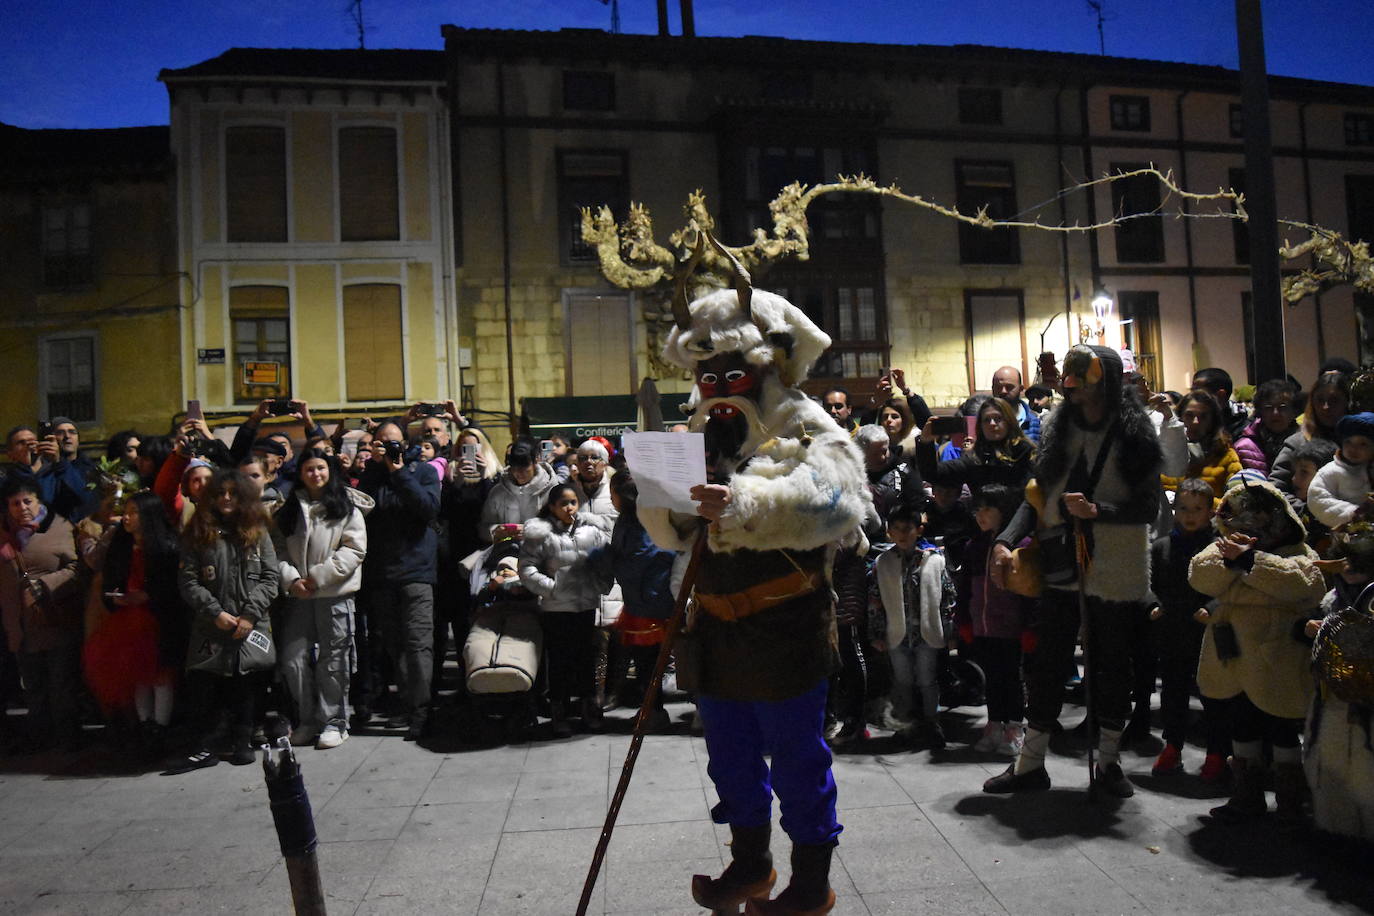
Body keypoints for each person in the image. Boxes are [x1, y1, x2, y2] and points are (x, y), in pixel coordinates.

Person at [637, 259, 870, 915]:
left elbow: (841, 499)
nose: (717, 387)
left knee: (797, 761)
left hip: (785, 624)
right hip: (712, 625)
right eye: (707, 376)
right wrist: (665, 499)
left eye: (732, 373)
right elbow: (669, 533)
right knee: (731, 758)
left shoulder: (802, 421)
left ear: (767, 365)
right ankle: (749, 866)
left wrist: (745, 503)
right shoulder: (694, 430)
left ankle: (810, 882)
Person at [984, 344, 1170, 798]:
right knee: (1046, 664)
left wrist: (1097, 510)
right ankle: (1030, 765)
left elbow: (1148, 506)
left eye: (1083, 381)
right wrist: (1005, 540)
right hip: (1061, 561)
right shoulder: (1055, 425)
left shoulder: (1134, 431)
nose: (1075, 391)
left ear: (1104, 382)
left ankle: (1108, 764)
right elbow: (1038, 495)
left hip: (1116, 563)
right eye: (1070, 381)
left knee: (1111, 666)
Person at [1189, 478, 1326, 820]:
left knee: (1281, 727)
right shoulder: (1223, 546)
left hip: (1276, 652)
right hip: (1232, 652)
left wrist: (1251, 562)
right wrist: (1231, 560)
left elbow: (1306, 584)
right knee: (1241, 722)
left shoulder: (1299, 552)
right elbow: (1199, 576)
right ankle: (1245, 796)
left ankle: (1290, 802)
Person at [174, 469, 280, 770]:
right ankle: (204, 746)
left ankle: (243, 739)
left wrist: (249, 614)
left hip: (250, 624)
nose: (226, 498)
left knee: (246, 683)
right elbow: (188, 581)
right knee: (206, 684)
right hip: (212, 624)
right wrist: (216, 613)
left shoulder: (257, 531)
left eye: (233, 493)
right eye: (220, 493)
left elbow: (271, 577)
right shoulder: (199, 532)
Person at [275, 450, 371, 750]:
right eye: (308, 469)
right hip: (298, 596)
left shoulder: (346, 508)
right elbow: (276, 551)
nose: (315, 474)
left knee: (335, 658)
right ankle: (308, 719)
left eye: (320, 468)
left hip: (334, 593)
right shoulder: (288, 510)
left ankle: (335, 721)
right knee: (293, 659)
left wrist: (319, 576)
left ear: (329, 470)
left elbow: (354, 550)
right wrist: (292, 579)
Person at [84, 490, 187, 754]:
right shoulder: (120, 545)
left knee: (160, 676)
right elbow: (110, 577)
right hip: (127, 621)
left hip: (157, 619)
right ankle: (145, 725)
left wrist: (148, 596)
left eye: (133, 512)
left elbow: (174, 588)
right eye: (126, 512)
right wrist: (115, 596)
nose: (126, 518)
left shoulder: (166, 547)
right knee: (139, 676)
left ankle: (160, 727)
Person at [356, 420, 442, 740]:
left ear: (404, 444)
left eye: (394, 443)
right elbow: (360, 509)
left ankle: (421, 711)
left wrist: (398, 470)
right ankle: (409, 704)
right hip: (382, 574)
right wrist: (376, 469)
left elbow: (427, 508)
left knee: (419, 644)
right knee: (396, 646)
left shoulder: (423, 472)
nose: (389, 448)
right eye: (382, 443)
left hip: (418, 572)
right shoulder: (371, 476)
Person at [1145, 478, 1230, 781]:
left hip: (1207, 633)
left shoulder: (1220, 549)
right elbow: (1148, 583)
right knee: (1173, 691)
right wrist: (1152, 605)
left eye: (1197, 508)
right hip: (1172, 630)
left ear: (1210, 511)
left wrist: (1212, 607)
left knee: (1213, 694)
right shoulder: (1162, 547)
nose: (1190, 514)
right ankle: (1173, 745)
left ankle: (1217, 751)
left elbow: (1230, 587)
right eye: (1183, 508)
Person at [518, 483, 611, 737]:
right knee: (560, 660)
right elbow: (526, 568)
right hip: (556, 608)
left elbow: (606, 558)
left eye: (573, 502)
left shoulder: (591, 531)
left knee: (586, 658)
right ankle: (560, 710)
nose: (569, 508)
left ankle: (588, 707)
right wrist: (551, 588)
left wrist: (601, 581)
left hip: (585, 604)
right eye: (563, 504)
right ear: (552, 507)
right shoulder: (541, 535)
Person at [0, 478, 83, 751]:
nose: (22, 508)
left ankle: (67, 736)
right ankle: (41, 737)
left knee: (61, 682)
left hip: (53, 618)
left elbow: (76, 568)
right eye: (15, 503)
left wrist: (46, 584)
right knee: (33, 685)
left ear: (39, 501)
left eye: (27, 501)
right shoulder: (3, 533)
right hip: (18, 624)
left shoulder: (60, 528)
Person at [590, 469, 675, 731]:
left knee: (648, 662)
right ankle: (651, 710)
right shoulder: (637, 516)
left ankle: (655, 712)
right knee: (646, 661)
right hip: (644, 598)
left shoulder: (639, 521)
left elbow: (640, 559)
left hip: (649, 600)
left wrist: (602, 558)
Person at [1304, 527, 1374, 842]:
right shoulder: (1334, 599)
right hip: (1332, 697)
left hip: (1365, 706)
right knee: (1330, 765)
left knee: (1365, 772)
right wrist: (1310, 629)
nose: (1347, 569)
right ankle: (1336, 832)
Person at [870, 502, 955, 749]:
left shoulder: (934, 560)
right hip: (897, 634)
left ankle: (931, 722)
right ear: (889, 532)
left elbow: (948, 597)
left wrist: (950, 631)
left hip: (927, 632)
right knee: (902, 681)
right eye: (896, 529)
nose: (903, 534)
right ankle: (905, 723)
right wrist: (876, 632)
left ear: (918, 530)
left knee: (928, 680)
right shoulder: (882, 562)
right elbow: (875, 602)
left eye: (908, 528)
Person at [955, 483, 1032, 757]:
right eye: (977, 509)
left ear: (1005, 511)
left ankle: (1015, 727)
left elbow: (1028, 594)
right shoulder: (973, 547)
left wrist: (1028, 628)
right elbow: (965, 589)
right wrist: (964, 620)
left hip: (1010, 628)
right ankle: (995, 723)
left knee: (1011, 677)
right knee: (993, 678)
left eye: (988, 508)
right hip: (983, 626)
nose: (980, 515)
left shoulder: (1021, 546)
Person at [917, 396, 1035, 500]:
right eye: (986, 420)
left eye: (998, 418)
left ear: (1009, 421)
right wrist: (925, 442)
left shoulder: (1025, 451)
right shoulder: (976, 458)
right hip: (984, 521)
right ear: (980, 426)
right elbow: (932, 474)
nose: (992, 424)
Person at [1269, 369, 1350, 507]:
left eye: (1334, 400)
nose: (1325, 407)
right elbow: (1275, 488)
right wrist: (1307, 511)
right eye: (1319, 400)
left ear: (1347, 402)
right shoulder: (1297, 443)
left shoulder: (1360, 444)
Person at [1161, 389, 1242, 498]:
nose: (1195, 422)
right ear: (1180, 417)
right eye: (1189, 415)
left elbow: (1235, 500)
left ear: (1213, 421)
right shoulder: (1164, 453)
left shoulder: (1226, 456)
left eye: (1203, 417)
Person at [479, 437, 557, 542]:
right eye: (514, 468)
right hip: (506, 549)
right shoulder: (498, 492)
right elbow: (484, 526)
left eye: (525, 467)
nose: (519, 473)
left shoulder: (552, 490)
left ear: (536, 461)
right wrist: (496, 531)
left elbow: (564, 527)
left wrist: (531, 532)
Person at [1306, 412, 1374, 531]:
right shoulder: (1331, 471)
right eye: (1348, 442)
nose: (1354, 448)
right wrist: (1352, 513)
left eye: (1363, 444)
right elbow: (1318, 498)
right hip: (1344, 532)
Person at [1233, 379, 1300, 475]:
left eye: (1282, 407)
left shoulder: (1305, 442)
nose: (1275, 413)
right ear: (1259, 411)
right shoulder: (1243, 447)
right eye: (1268, 408)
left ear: (1294, 411)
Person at [1193, 367, 1249, 442]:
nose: (1192, 399)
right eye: (1192, 392)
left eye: (1199, 394)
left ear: (1220, 396)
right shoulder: (1191, 419)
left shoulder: (1243, 430)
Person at [570, 439, 617, 525]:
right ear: (577, 463)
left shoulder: (614, 490)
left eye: (594, 458)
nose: (588, 461)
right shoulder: (569, 492)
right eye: (583, 458)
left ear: (605, 463)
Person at [992, 365, 1041, 444]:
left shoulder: (1036, 423)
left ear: (1021, 389)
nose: (1003, 391)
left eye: (1009, 387)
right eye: (998, 387)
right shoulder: (983, 423)